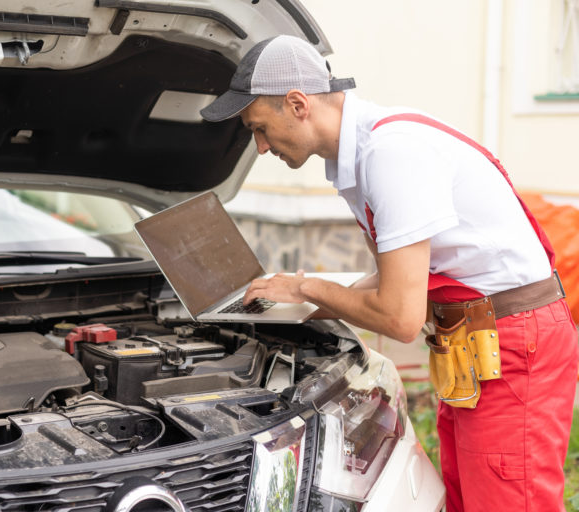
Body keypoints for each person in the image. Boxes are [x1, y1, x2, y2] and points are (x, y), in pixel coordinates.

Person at [200, 35, 579, 511]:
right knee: (469, 498)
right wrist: (303, 305)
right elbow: (393, 275)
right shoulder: (356, 157)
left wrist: (308, 285)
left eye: (259, 128)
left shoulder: (391, 154)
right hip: (475, 345)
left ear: (298, 104)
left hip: (514, 343)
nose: (258, 146)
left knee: (509, 502)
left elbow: (400, 316)